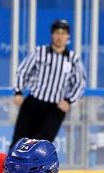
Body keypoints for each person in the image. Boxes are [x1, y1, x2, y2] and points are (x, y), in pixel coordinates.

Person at [12, 19, 86, 149]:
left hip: (55, 109)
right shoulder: (39, 52)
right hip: (33, 104)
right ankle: (10, 169)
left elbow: (80, 83)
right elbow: (22, 71)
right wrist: (18, 92)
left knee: (41, 146)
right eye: (57, 32)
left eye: (63, 33)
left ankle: (34, 170)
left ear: (68, 36)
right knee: (20, 141)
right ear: (52, 35)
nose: (60, 36)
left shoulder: (73, 59)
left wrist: (69, 100)